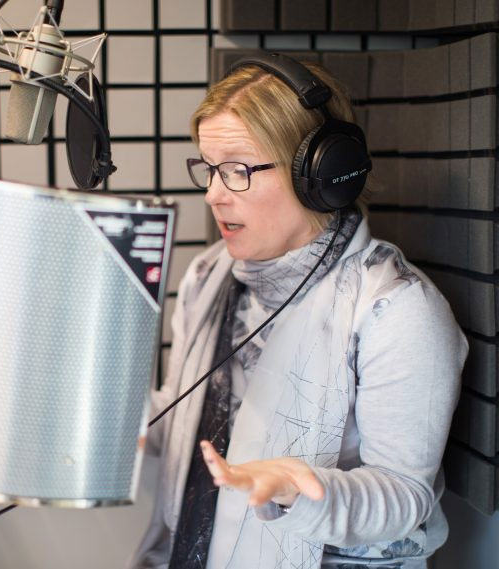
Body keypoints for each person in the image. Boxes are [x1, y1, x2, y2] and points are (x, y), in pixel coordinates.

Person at [130, 53, 467, 569]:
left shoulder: (396, 309)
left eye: (238, 170)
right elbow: (186, 411)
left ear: (319, 174)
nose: (215, 195)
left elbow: (405, 496)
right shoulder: (208, 275)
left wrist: (296, 489)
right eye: (209, 169)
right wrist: (111, 419)